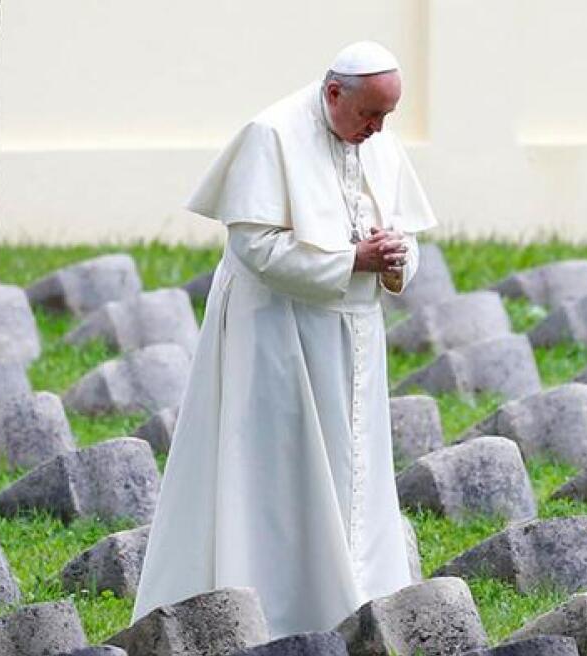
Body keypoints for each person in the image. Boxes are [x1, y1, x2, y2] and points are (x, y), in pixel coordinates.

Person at [130, 41, 438, 638]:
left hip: (355, 341)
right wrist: (354, 259)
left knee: (356, 469)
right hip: (278, 334)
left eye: (386, 117)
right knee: (277, 470)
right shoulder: (270, 136)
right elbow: (255, 248)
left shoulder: (378, 142)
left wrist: (396, 258)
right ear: (333, 94)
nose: (377, 129)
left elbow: (403, 235)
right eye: (369, 114)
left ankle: (355, 601)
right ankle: (277, 609)